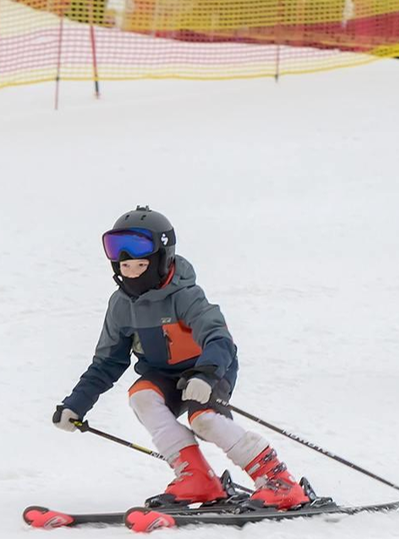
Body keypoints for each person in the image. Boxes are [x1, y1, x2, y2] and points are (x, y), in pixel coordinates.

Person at [52, 206, 309, 510]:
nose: (131, 274)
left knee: (204, 420)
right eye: (125, 268)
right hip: (163, 375)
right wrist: (76, 404)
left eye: (139, 266)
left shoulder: (185, 295)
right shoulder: (121, 305)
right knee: (141, 395)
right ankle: (197, 478)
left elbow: (218, 337)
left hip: (207, 370)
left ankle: (279, 481)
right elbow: (108, 362)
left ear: (161, 260)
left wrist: (207, 374)